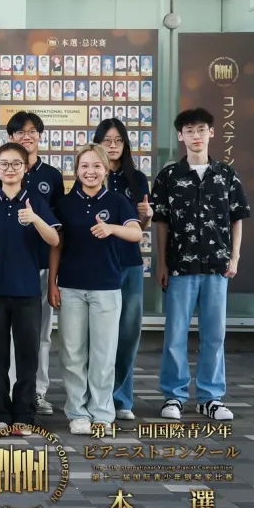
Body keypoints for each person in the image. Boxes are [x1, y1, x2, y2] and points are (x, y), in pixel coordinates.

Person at [153, 108, 250, 422]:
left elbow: (237, 218)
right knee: (175, 334)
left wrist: (234, 257)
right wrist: (162, 263)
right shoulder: (169, 176)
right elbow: (161, 223)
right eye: (189, 130)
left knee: (214, 335)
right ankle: (174, 395)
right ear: (180, 136)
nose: (196, 136)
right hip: (180, 267)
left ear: (212, 133)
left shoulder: (226, 174)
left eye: (201, 129)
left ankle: (211, 397)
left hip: (217, 266)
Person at [48, 144, 141, 437]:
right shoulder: (65, 204)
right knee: (72, 354)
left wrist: (112, 228)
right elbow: (57, 245)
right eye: (84, 166)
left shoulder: (117, 202)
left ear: (106, 169)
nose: (90, 172)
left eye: (97, 166)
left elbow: (136, 232)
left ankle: (102, 413)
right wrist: (52, 282)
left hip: (106, 289)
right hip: (71, 288)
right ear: (76, 169)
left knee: (103, 354)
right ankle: (78, 412)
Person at [0, 142, 61, 437]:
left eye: (16, 164)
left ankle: (24, 414)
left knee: (27, 355)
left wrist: (35, 218)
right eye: (4, 164)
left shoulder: (36, 200)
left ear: (26, 168)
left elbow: (54, 240)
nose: (9, 169)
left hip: (27, 290)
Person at [93, 119, 153, 422]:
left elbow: (139, 228)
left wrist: (147, 216)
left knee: (128, 332)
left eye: (118, 140)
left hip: (129, 263)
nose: (113, 145)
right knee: (98, 335)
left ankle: (121, 398)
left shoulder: (136, 179)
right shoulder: (91, 174)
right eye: (107, 140)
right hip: (98, 265)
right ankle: (96, 395)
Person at [6, 111, 64, 417]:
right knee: (9, 335)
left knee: (41, 334)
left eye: (32, 132)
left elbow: (57, 231)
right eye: (19, 132)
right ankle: (11, 390)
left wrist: (54, 277)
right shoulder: (2, 172)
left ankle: (37, 392)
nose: (26, 137)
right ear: (10, 137)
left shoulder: (51, 176)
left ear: (40, 136)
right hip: (8, 268)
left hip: (40, 265)